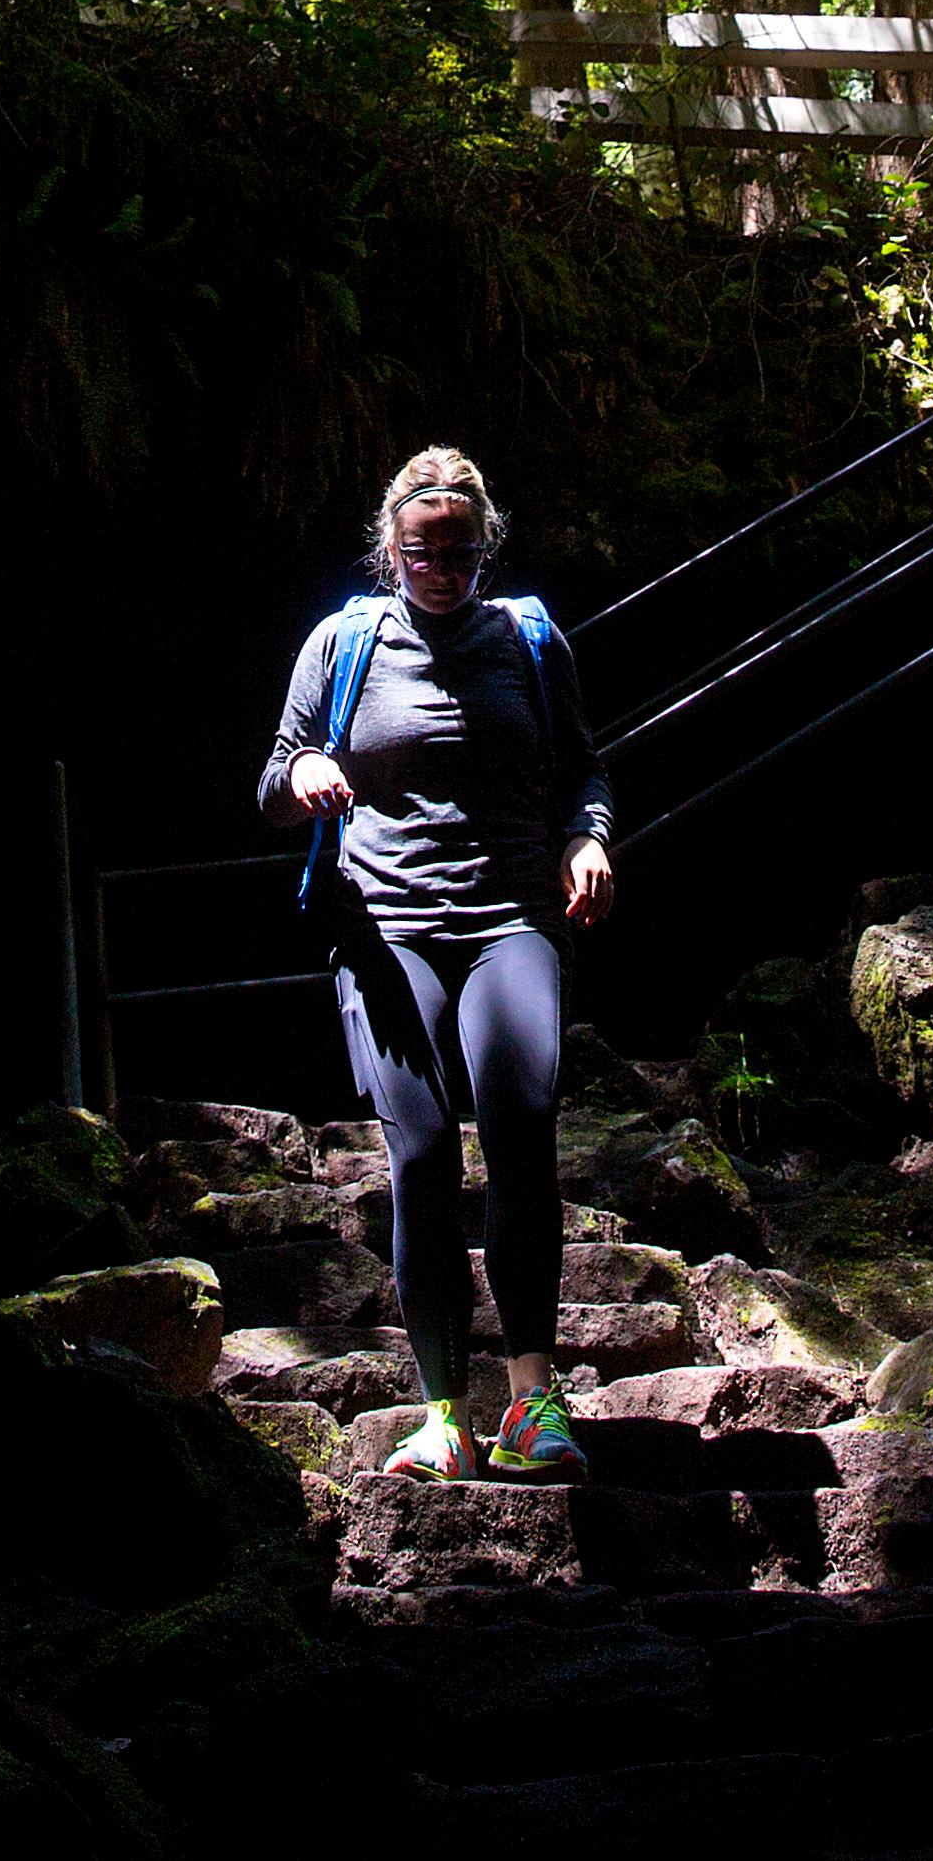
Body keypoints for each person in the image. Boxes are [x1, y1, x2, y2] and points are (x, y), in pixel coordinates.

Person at [255, 445, 617, 1483]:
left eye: (459, 549)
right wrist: (315, 768)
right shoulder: (343, 642)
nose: (442, 567)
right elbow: (275, 780)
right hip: (388, 925)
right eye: (422, 551)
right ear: (391, 549)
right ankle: (443, 1412)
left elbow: (584, 767)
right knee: (417, 1156)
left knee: (518, 1126)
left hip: (512, 916)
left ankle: (534, 1399)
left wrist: (587, 838)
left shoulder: (528, 638)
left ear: (485, 545)